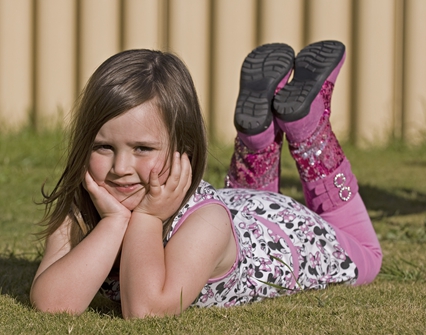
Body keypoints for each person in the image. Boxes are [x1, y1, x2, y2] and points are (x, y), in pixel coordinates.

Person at [30, 41, 382, 318]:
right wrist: (113, 223)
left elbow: (146, 310)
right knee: (243, 195)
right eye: (103, 147)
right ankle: (256, 140)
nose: (121, 167)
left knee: (368, 256)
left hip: (288, 233)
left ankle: (309, 129)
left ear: (184, 147)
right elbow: (52, 303)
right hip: (239, 204)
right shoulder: (82, 205)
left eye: (142, 148)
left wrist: (148, 218)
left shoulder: (205, 224)